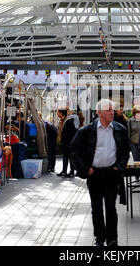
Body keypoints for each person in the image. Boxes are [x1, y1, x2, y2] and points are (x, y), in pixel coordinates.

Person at [70, 99, 130, 247]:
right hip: (94, 174)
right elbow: (74, 149)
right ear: (99, 112)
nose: (112, 112)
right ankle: (99, 238)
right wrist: (85, 169)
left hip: (111, 173)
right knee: (96, 208)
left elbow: (125, 150)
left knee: (110, 207)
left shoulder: (119, 129)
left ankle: (112, 239)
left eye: (112, 109)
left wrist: (119, 167)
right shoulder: (87, 130)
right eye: (108, 110)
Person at [56, 109, 77, 178]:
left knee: (70, 158)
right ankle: (64, 171)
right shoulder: (62, 121)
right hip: (64, 143)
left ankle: (72, 172)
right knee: (65, 157)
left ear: (62, 113)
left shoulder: (68, 121)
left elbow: (72, 133)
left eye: (58, 112)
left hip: (69, 143)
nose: (57, 114)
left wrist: (71, 143)